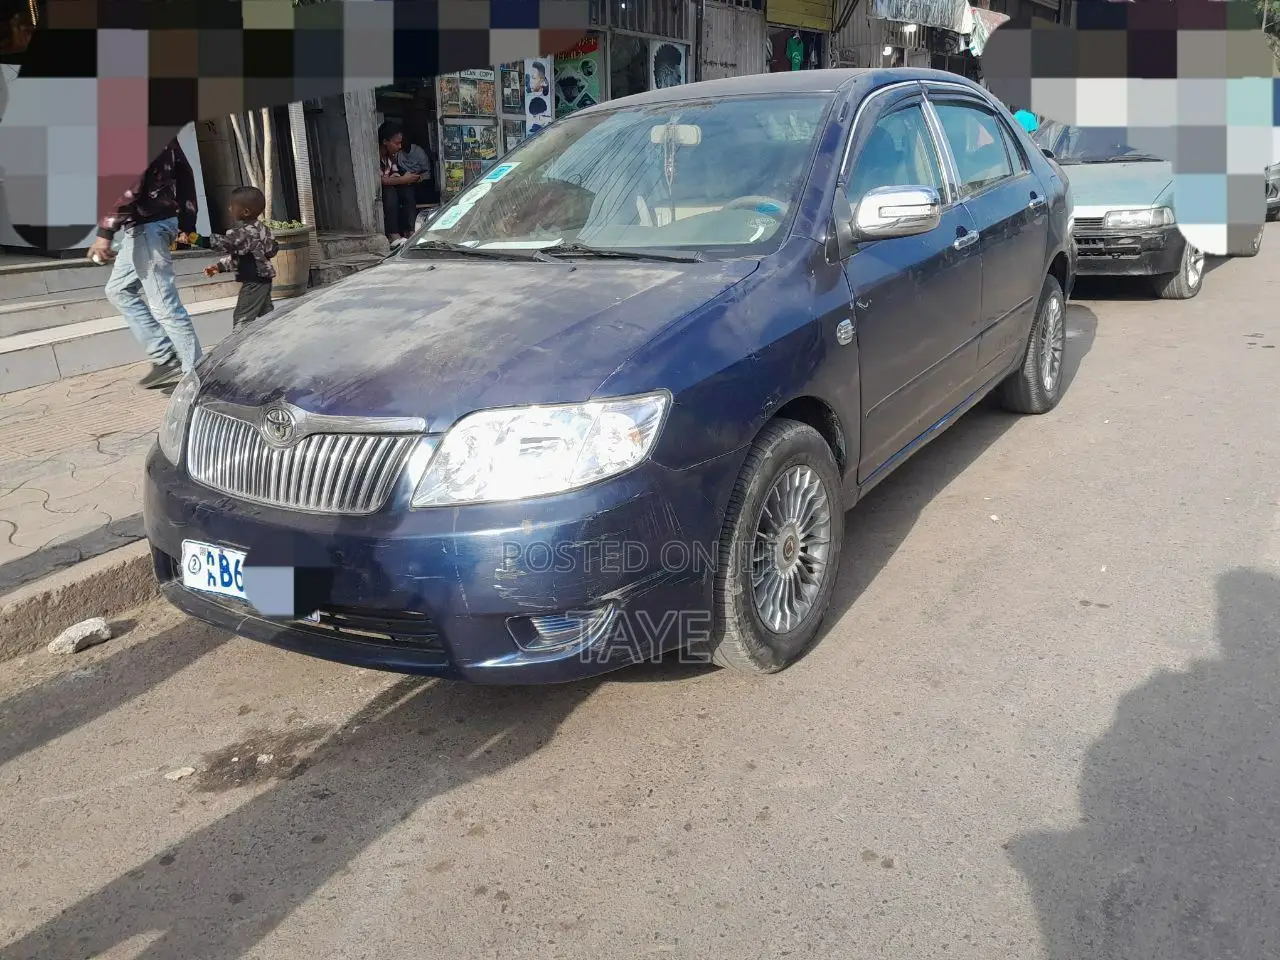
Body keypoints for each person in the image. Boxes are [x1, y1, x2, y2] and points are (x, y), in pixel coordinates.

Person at [87, 138, 202, 389]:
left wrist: (104, 234)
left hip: (148, 227)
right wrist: (187, 221)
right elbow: (185, 173)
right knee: (118, 290)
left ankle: (196, 376)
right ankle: (165, 356)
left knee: (164, 305)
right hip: (148, 226)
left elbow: (127, 186)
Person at [199, 185, 278, 329]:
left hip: (253, 281)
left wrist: (196, 239)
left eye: (232, 206)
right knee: (266, 316)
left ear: (246, 211)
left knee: (242, 319)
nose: (229, 209)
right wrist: (219, 266)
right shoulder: (262, 229)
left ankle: (240, 349)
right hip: (264, 279)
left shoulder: (242, 233)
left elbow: (223, 244)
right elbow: (246, 255)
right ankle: (273, 343)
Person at [378, 120, 422, 248]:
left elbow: (395, 173)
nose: (399, 146)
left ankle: (411, 230)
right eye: (396, 143)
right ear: (385, 142)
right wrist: (402, 180)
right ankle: (392, 233)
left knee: (407, 190)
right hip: (382, 193)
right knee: (390, 191)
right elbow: (382, 180)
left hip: (392, 187)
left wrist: (408, 178)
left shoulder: (391, 157)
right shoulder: (374, 157)